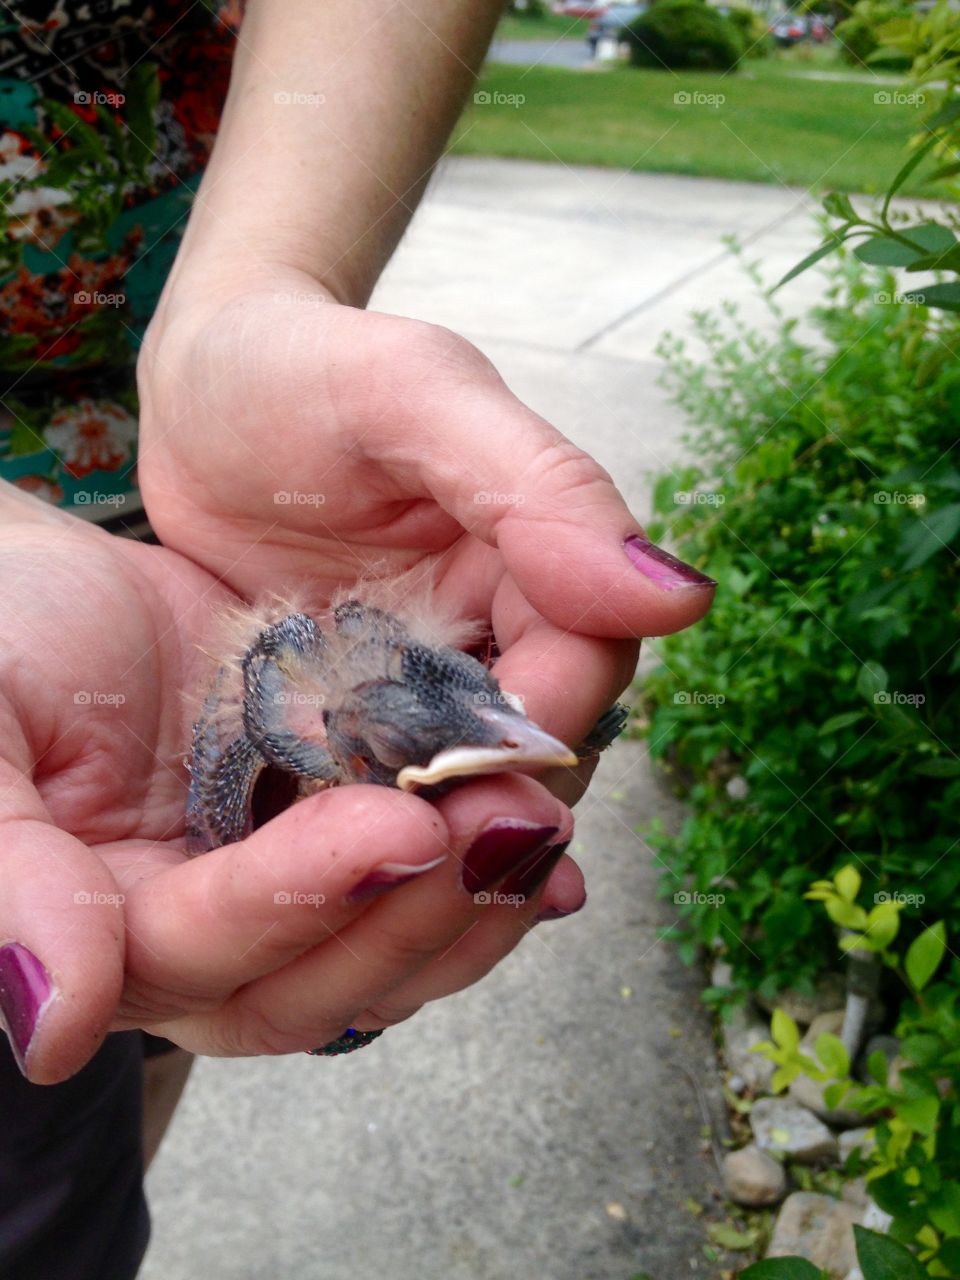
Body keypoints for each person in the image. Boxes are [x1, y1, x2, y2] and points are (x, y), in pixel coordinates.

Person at [0, 3, 717, 1276]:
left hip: (189, 469)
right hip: (71, 603)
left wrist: (258, 282)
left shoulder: (305, 654)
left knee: (129, 1039)